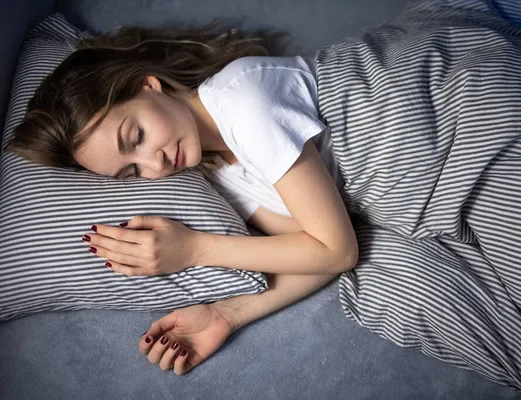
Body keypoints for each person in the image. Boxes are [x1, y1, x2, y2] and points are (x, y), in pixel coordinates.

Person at [3, 22, 359, 376]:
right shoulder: (221, 175)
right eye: (133, 172)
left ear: (147, 85)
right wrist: (225, 315)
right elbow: (317, 251)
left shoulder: (243, 98)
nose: (153, 164)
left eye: (137, 136)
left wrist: (193, 249)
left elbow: (336, 249)